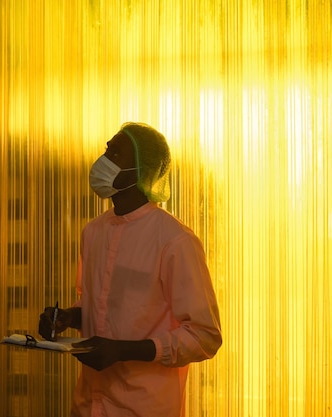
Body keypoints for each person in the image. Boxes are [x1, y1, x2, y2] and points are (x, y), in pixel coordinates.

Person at [39, 122, 222, 416]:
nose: (103, 160)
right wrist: (67, 317)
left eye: (115, 152)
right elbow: (98, 307)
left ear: (141, 169)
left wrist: (123, 351)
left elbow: (205, 337)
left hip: (144, 407)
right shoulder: (94, 232)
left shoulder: (175, 241)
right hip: (88, 405)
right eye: (106, 150)